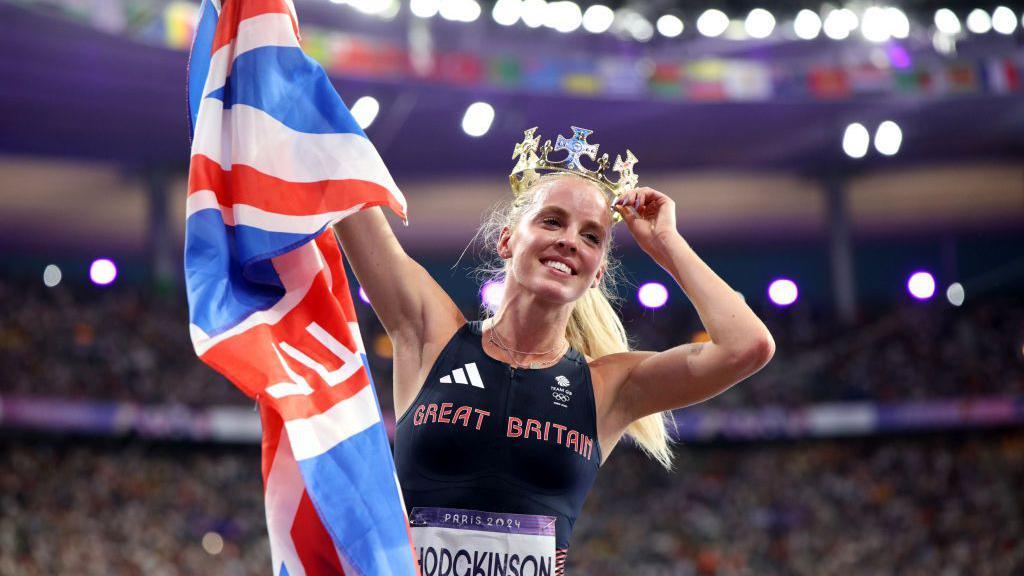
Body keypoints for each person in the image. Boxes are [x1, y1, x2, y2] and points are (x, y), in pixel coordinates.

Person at [333, 127, 775, 575]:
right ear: (507, 240)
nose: (569, 241)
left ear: (597, 272)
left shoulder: (608, 387)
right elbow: (341, 181)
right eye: (552, 221)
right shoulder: (433, 336)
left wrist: (667, 245)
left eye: (591, 237)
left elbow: (748, 346)